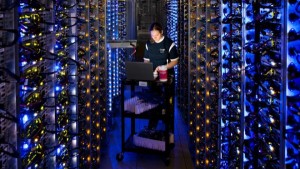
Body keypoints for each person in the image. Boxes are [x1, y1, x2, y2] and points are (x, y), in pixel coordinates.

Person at [143, 22, 179, 132]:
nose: (154, 37)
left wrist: (164, 67)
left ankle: (168, 128)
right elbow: (146, 60)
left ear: (162, 32)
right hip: (154, 77)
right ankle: (152, 126)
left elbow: (175, 61)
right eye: (152, 35)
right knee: (152, 101)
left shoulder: (169, 43)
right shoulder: (149, 44)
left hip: (167, 77)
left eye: (156, 35)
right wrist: (149, 70)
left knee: (167, 103)